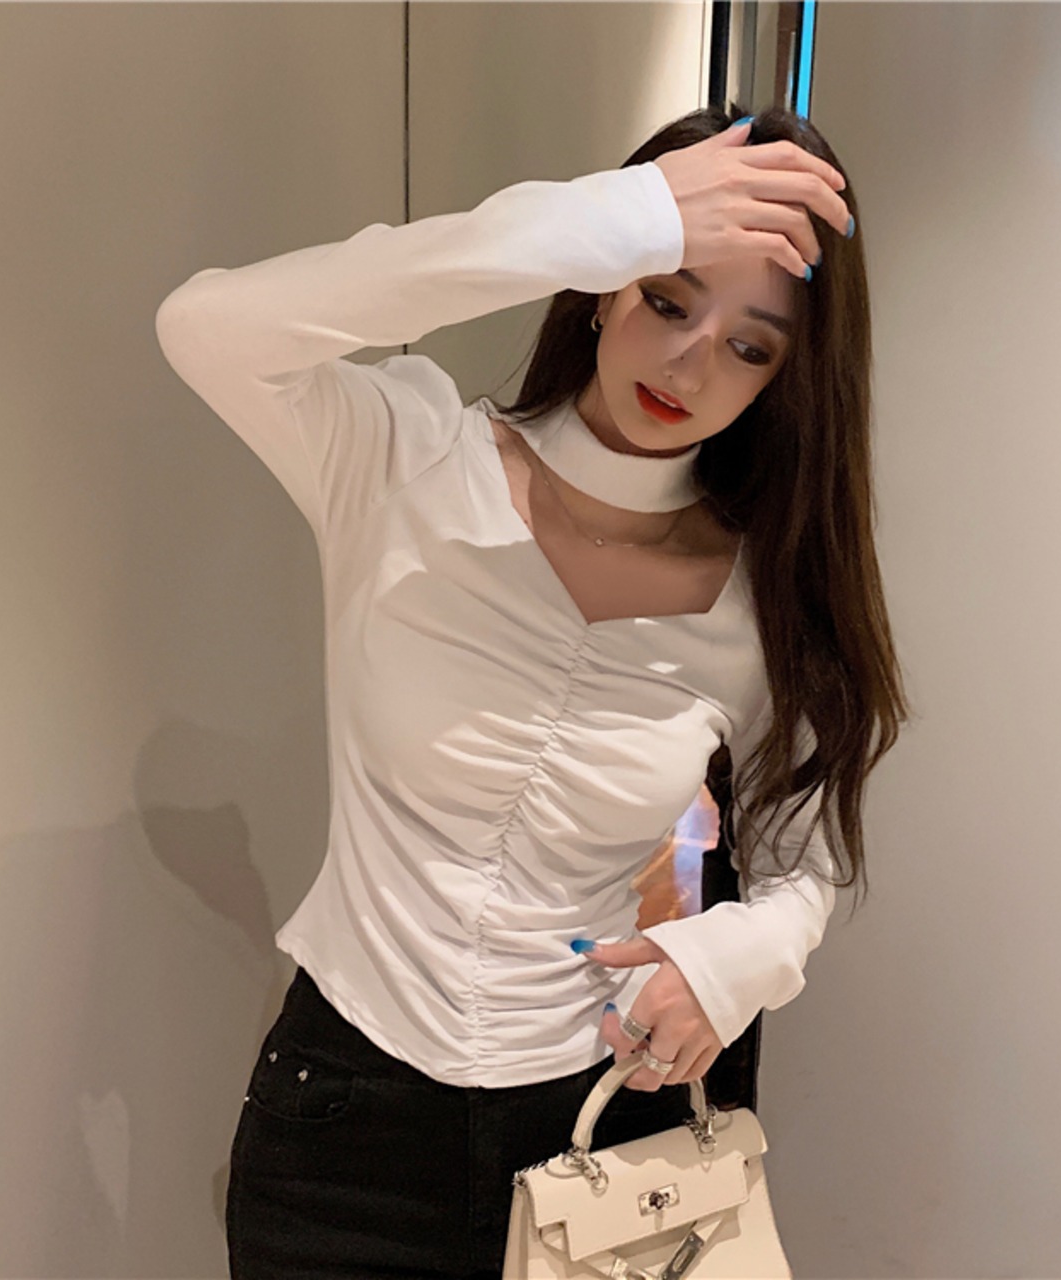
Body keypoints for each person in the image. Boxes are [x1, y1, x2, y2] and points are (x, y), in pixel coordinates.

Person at [155, 103, 910, 1280]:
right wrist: (605, 216)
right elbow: (203, 325)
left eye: (749, 347)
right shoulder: (405, 457)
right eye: (666, 297)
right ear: (602, 282)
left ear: (782, 382)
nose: (688, 363)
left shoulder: (757, 601)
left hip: (595, 1133)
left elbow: (803, 861)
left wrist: (731, 963)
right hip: (342, 1132)